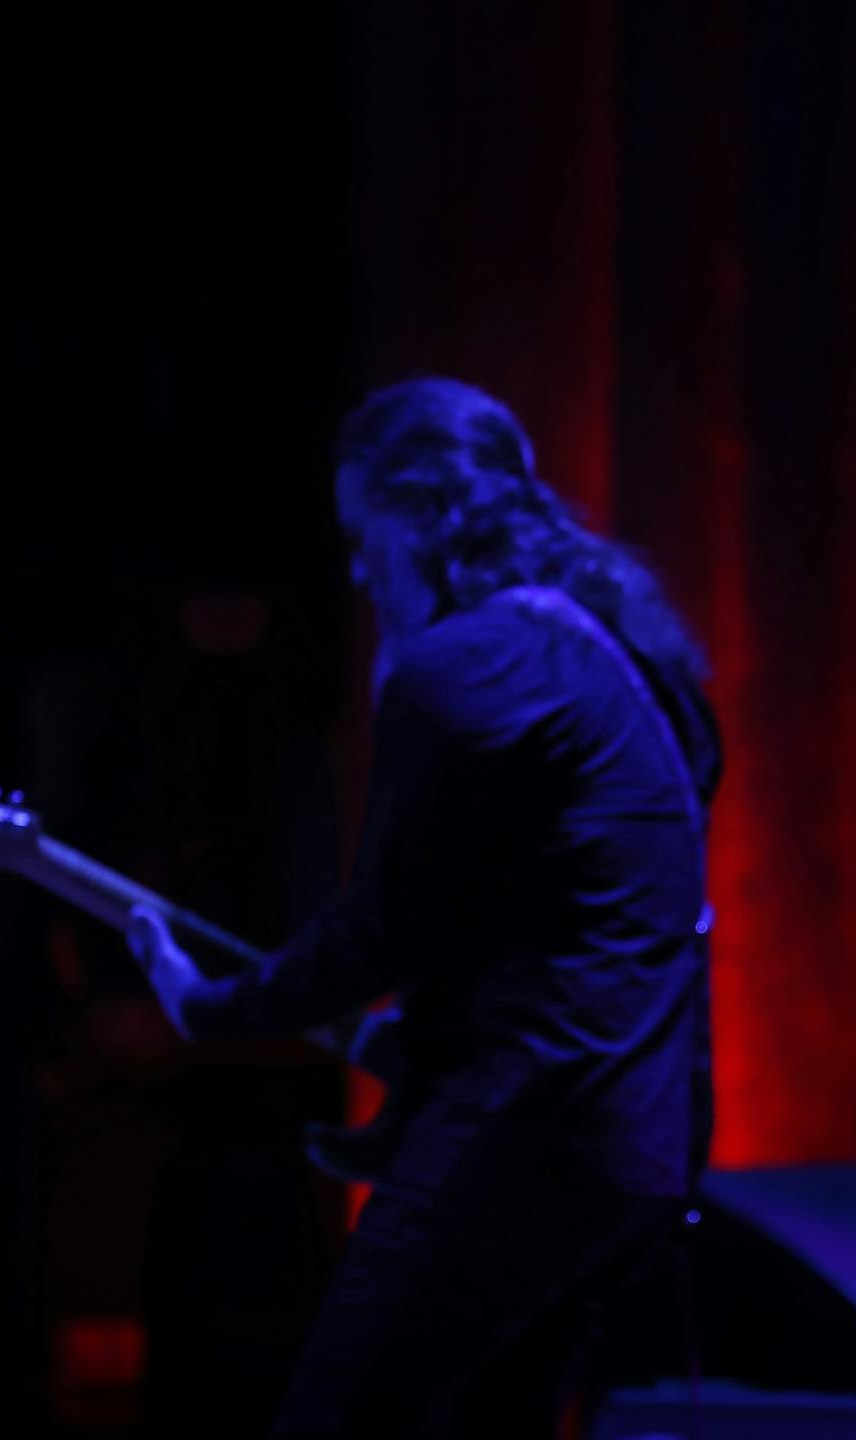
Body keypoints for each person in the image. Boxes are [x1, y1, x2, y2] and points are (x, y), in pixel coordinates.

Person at [125, 376, 720, 1437]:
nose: (358, 573)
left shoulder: (465, 666)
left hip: (530, 1131)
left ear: (415, 515)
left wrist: (207, 1007)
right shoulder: (608, 648)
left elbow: (375, 933)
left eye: (362, 539)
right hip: (641, 1145)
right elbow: (565, 907)